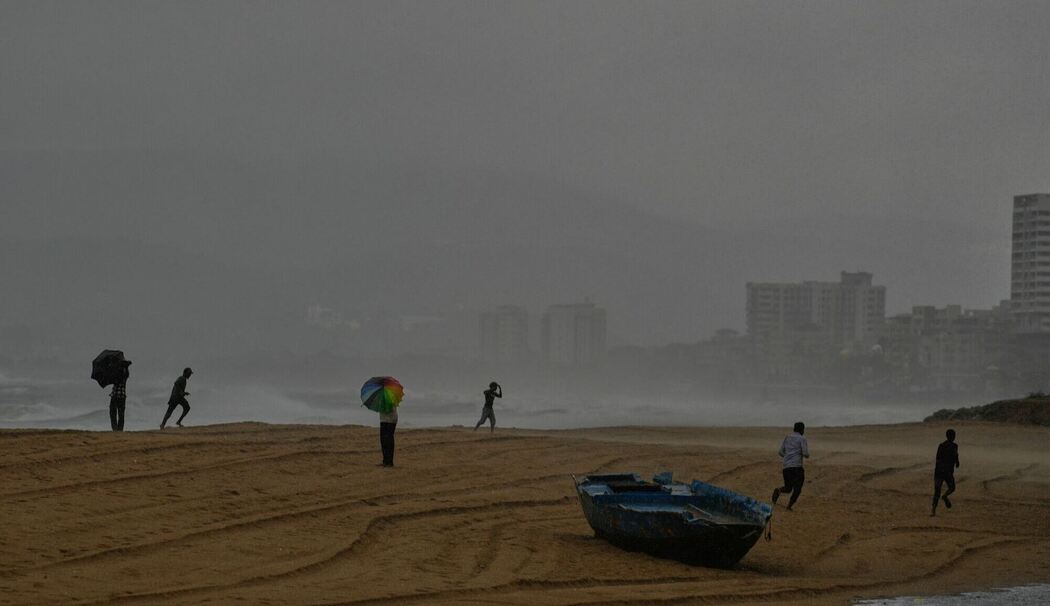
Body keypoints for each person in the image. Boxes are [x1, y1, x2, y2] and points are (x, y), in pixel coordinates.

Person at [772, 421, 810, 510]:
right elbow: (805, 454)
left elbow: (780, 452)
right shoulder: (802, 438)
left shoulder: (787, 437)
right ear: (802, 430)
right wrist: (805, 455)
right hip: (797, 467)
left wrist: (788, 457)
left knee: (788, 488)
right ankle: (789, 506)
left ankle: (778, 490)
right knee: (797, 489)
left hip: (786, 467)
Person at [931, 428, 960, 517]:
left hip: (940, 471)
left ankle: (933, 510)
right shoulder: (953, 446)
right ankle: (944, 497)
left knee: (938, 491)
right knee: (951, 488)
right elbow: (955, 456)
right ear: (952, 436)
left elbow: (938, 458)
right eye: (953, 436)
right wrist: (956, 463)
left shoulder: (943, 445)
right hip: (946, 472)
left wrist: (956, 462)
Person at [109, 360, 131, 432]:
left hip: (115, 395)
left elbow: (114, 380)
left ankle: (115, 429)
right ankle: (120, 429)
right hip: (122, 396)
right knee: (121, 414)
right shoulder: (125, 373)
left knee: (113, 412)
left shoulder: (118, 373)